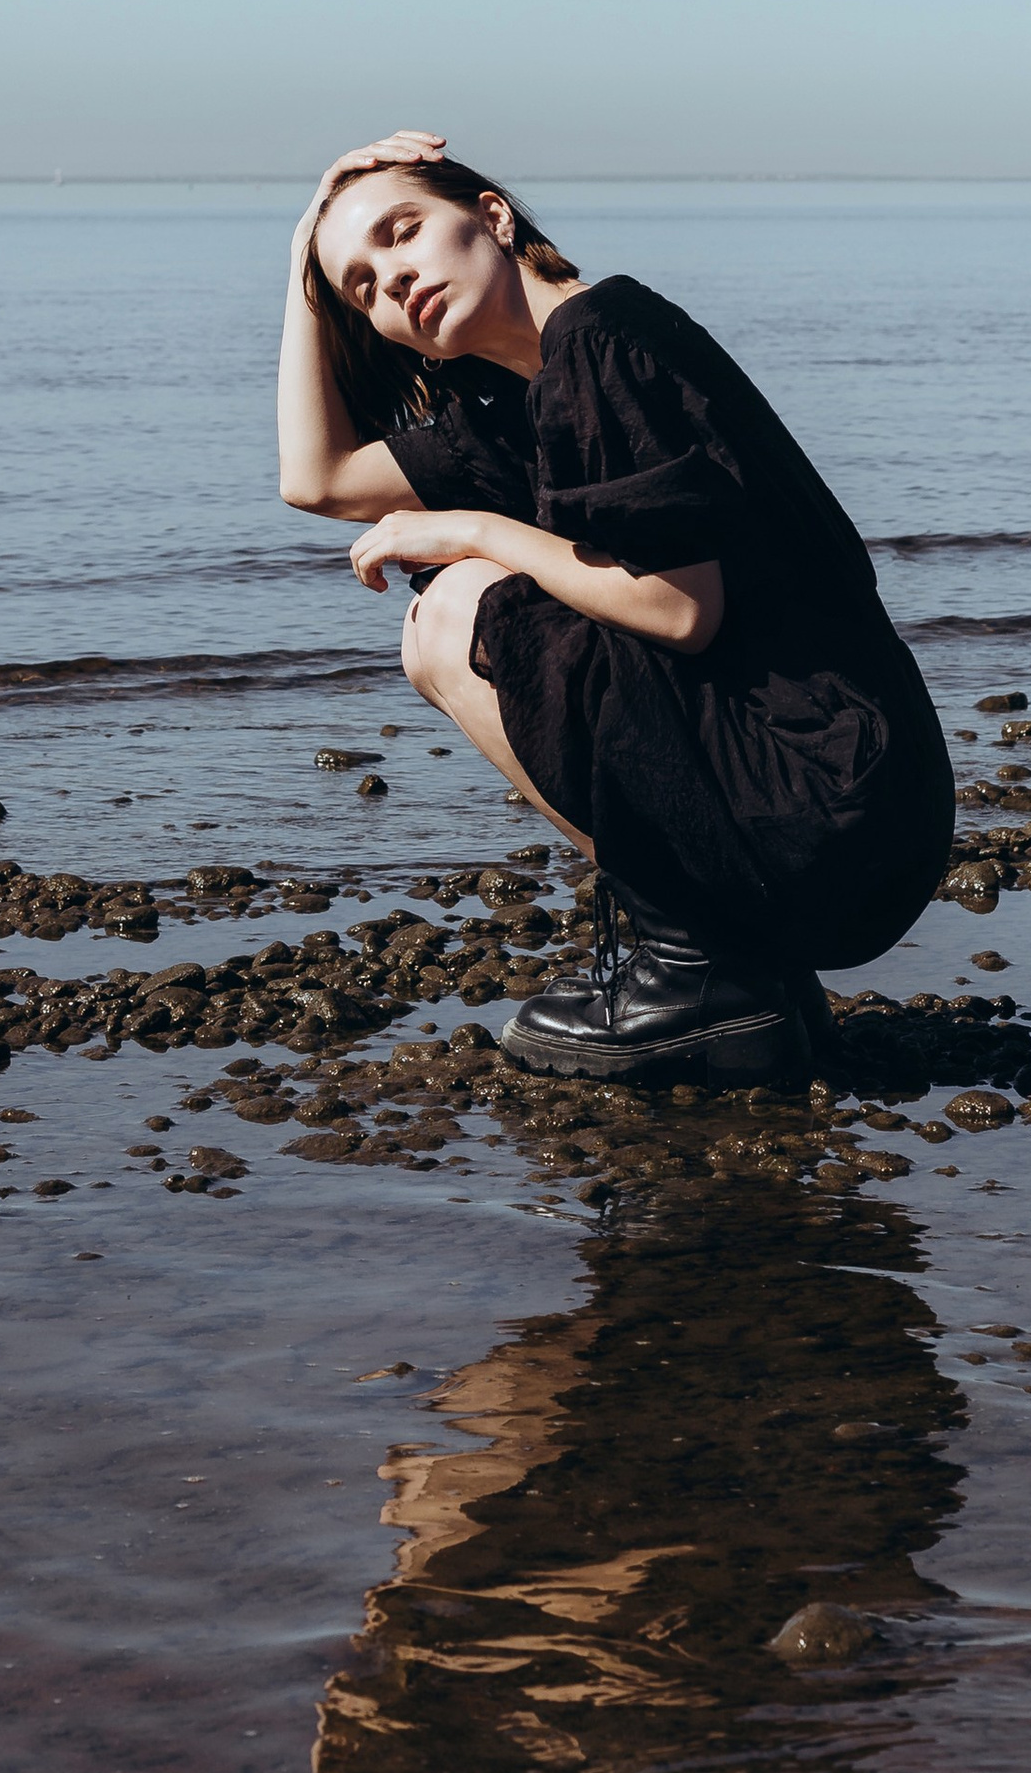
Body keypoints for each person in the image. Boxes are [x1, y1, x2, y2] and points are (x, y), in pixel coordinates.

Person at [276, 129, 955, 1084]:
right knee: (448, 622)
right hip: (852, 815)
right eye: (362, 287)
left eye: (402, 233)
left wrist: (476, 531)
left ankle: (700, 967)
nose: (392, 281)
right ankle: (744, 974)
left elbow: (682, 611)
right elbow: (318, 477)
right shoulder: (516, 398)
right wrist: (304, 241)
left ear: (492, 217)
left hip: (840, 805)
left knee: (456, 607)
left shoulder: (601, 338)